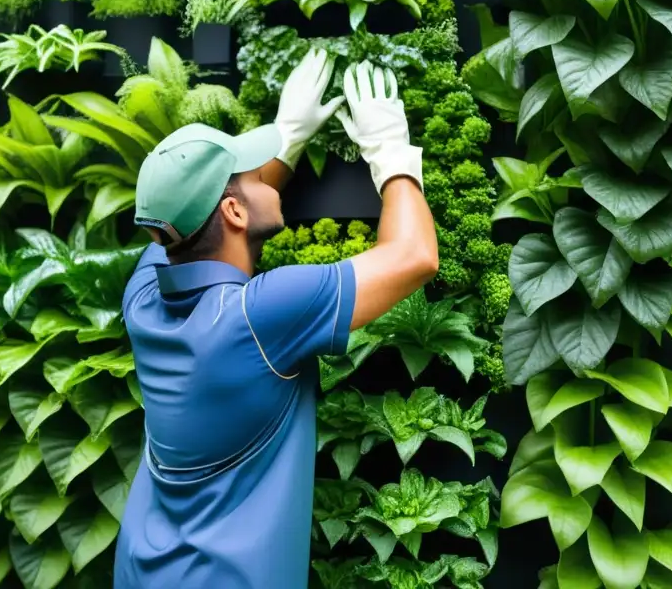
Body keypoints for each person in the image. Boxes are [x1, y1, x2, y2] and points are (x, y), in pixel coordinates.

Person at [113, 48, 438, 588]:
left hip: (145, 571)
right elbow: (415, 256)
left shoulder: (144, 294)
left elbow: (189, 226)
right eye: (251, 174)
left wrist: (287, 137)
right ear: (234, 212)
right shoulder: (257, 316)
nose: (267, 176)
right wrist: (391, 156)